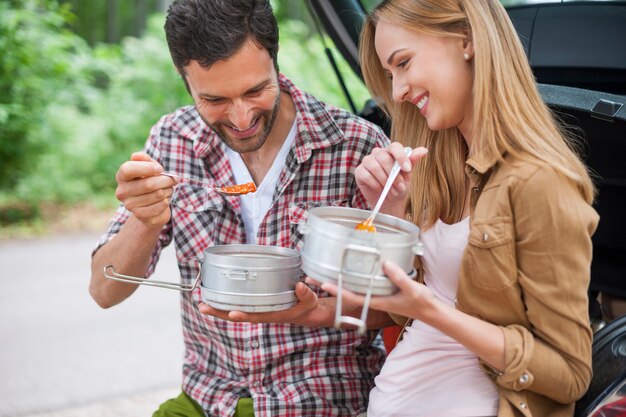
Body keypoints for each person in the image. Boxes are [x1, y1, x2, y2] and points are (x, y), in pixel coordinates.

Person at [88, 0, 391, 416]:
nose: (242, 116)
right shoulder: (172, 141)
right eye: (214, 99)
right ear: (185, 80)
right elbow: (105, 290)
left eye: (255, 90)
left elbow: (396, 310)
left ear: (276, 61)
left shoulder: (356, 146)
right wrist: (145, 219)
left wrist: (315, 313)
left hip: (320, 399)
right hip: (209, 398)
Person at [316, 0, 599, 416]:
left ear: (466, 39)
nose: (396, 92)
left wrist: (430, 310)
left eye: (404, 63)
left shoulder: (540, 181)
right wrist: (393, 212)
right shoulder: (445, 167)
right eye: (391, 75)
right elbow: (416, 305)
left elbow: (570, 374)